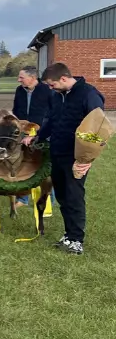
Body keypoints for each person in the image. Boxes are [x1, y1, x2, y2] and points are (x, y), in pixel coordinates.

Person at [25, 63, 106, 255]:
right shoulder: (56, 96)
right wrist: (38, 137)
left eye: (52, 84)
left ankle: (77, 240)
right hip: (57, 153)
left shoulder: (88, 94)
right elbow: (51, 121)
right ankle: (69, 235)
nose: (50, 88)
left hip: (77, 157)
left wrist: (86, 159)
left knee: (74, 196)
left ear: (63, 78)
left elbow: (98, 127)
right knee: (62, 196)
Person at [11, 66, 60, 211]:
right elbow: (16, 109)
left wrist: (36, 133)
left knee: (45, 166)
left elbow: (53, 115)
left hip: (43, 134)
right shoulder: (19, 90)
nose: (18, 80)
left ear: (32, 78)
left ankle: (48, 199)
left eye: (21, 77)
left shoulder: (48, 91)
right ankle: (23, 198)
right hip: (23, 133)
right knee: (23, 165)